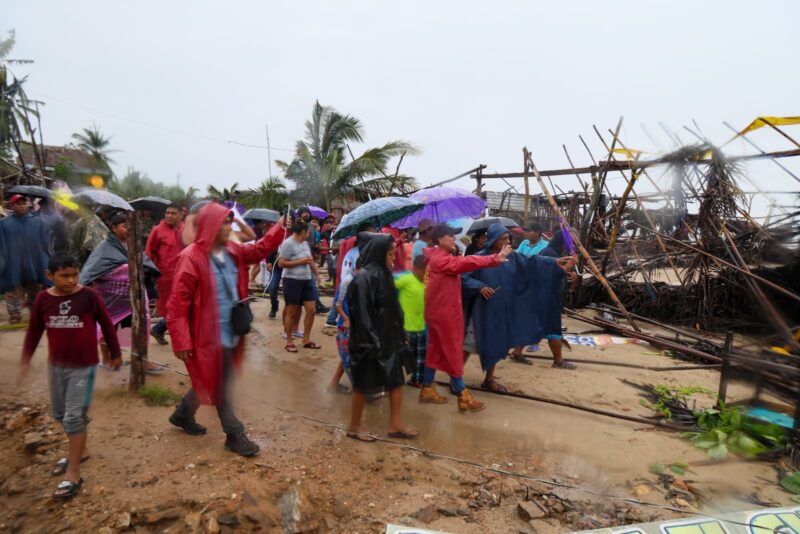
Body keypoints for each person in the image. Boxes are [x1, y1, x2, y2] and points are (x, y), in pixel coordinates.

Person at [167, 203, 286, 456]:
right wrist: (182, 341)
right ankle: (234, 434)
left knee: (213, 379)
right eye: (224, 222)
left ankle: (182, 414)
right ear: (210, 225)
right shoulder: (191, 258)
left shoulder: (232, 250)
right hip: (205, 335)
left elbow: (258, 250)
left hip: (231, 330)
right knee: (220, 383)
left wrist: (279, 228)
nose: (229, 226)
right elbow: (177, 305)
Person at [18, 254, 122, 500]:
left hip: (83, 367)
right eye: (65, 275)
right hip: (56, 365)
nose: (71, 280)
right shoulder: (43, 299)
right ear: (49, 275)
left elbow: (107, 324)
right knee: (59, 413)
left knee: (74, 416)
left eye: (75, 274)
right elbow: (34, 331)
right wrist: (25, 359)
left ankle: (74, 472)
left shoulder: (88, 295)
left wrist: (114, 353)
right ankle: (81, 449)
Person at [462, 223, 577, 392]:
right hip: (481, 312)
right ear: (493, 240)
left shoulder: (512, 257)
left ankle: (489, 379)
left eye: (508, 237)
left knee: (498, 343)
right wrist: (479, 286)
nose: (507, 241)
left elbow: (532, 262)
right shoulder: (479, 257)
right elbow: (463, 276)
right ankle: (456, 378)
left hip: (501, 310)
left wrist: (554, 262)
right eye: (503, 238)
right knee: (468, 345)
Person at [423, 223, 511, 413]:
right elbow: (465, 263)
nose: (454, 239)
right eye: (450, 236)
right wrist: (495, 259)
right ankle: (463, 394)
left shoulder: (440, 256)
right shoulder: (441, 260)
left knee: (434, 350)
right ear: (439, 240)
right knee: (453, 352)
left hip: (438, 311)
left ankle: (427, 388)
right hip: (444, 313)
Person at [346, 233, 417, 441]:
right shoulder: (363, 278)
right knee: (363, 384)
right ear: (379, 253)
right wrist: (370, 343)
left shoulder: (385, 274)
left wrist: (401, 333)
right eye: (390, 254)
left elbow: (394, 308)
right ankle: (354, 426)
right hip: (368, 342)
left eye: (394, 253)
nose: (394, 258)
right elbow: (361, 314)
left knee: (396, 380)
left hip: (389, 338)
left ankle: (395, 424)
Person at [79, 212, 160, 371]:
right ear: (113, 228)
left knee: (140, 327)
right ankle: (108, 359)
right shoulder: (104, 248)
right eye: (124, 226)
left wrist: (141, 271)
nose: (129, 229)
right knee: (107, 328)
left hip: (133, 297)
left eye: (131, 225)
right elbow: (94, 271)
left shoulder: (135, 245)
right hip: (110, 298)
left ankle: (141, 360)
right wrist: (125, 270)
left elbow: (146, 265)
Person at [396, 255, 446, 403]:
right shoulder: (405, 280)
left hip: (421, 326)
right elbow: (387, 287)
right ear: (415, 269)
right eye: (424, 272)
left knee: (420, 356)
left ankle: (416, 379)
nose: (427, 275)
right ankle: (392, 382)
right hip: (406, 326)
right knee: (401, 357)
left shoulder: (428, 283)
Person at [0, 195, 51, 323]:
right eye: (18, 204)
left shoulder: (38, 221)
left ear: (27, 205)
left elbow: (46, 242)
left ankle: (35, 311)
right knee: (13, 289)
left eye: (23, 203)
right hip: (13, 261)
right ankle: (14, 313)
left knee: (34, 288)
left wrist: (45, 258)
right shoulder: (4, 224)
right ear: (12, 206)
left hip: (34, 261)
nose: (21, 206)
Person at [278, 221, 321, 352]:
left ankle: (306, 339)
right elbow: (281, 263)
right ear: (303, 232)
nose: (309, 234)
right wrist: (300, 262)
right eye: (307, 231)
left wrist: (317, 274)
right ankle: (289, 341)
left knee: (311, 309)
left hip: (307, 279)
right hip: (292, 280)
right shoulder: (288, 244)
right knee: (292, 310)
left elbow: (309, 260)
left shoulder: (305, 244)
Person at [145, 204, 185, 346]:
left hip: (184, 275)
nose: (169, 216)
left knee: (183, 305)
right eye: (167, 213)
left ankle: (159, 329)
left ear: (181, 214)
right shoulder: (157, 230)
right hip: (165, 277)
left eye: (173, 213)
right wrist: (149, 275)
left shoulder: (185, 230)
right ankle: (165, 332)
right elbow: (148, 254)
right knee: (171, 307)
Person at [296, 206, 329, 314]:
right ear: (300, 214)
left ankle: (314, 303)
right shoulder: (298, 226)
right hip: (300, 258)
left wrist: (317, 246)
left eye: (307, 213)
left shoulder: (310, 226)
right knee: (311, 282)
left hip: (310, 257)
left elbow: (312, 243)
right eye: (304, 213)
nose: (306, 214)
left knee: (311, 282)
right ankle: (316, 304)